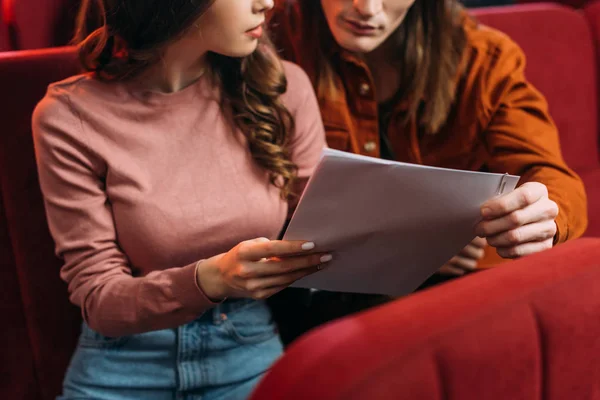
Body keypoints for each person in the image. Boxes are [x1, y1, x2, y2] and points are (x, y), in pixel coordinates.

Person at [31, 0, 329, 398]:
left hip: (245, 344)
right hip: (123, 361)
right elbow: (98, 297)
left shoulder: (284, 89)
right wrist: (213, 278)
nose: (267, 3)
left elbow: (328, 231)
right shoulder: (68, 117)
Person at [268, 0, 588, 341]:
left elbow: (547, 174)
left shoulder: (481, 58)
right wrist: (411, 243)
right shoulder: (274, 32)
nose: (368, 8)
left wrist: (542, 215)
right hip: (307, 292)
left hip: (449, 293)